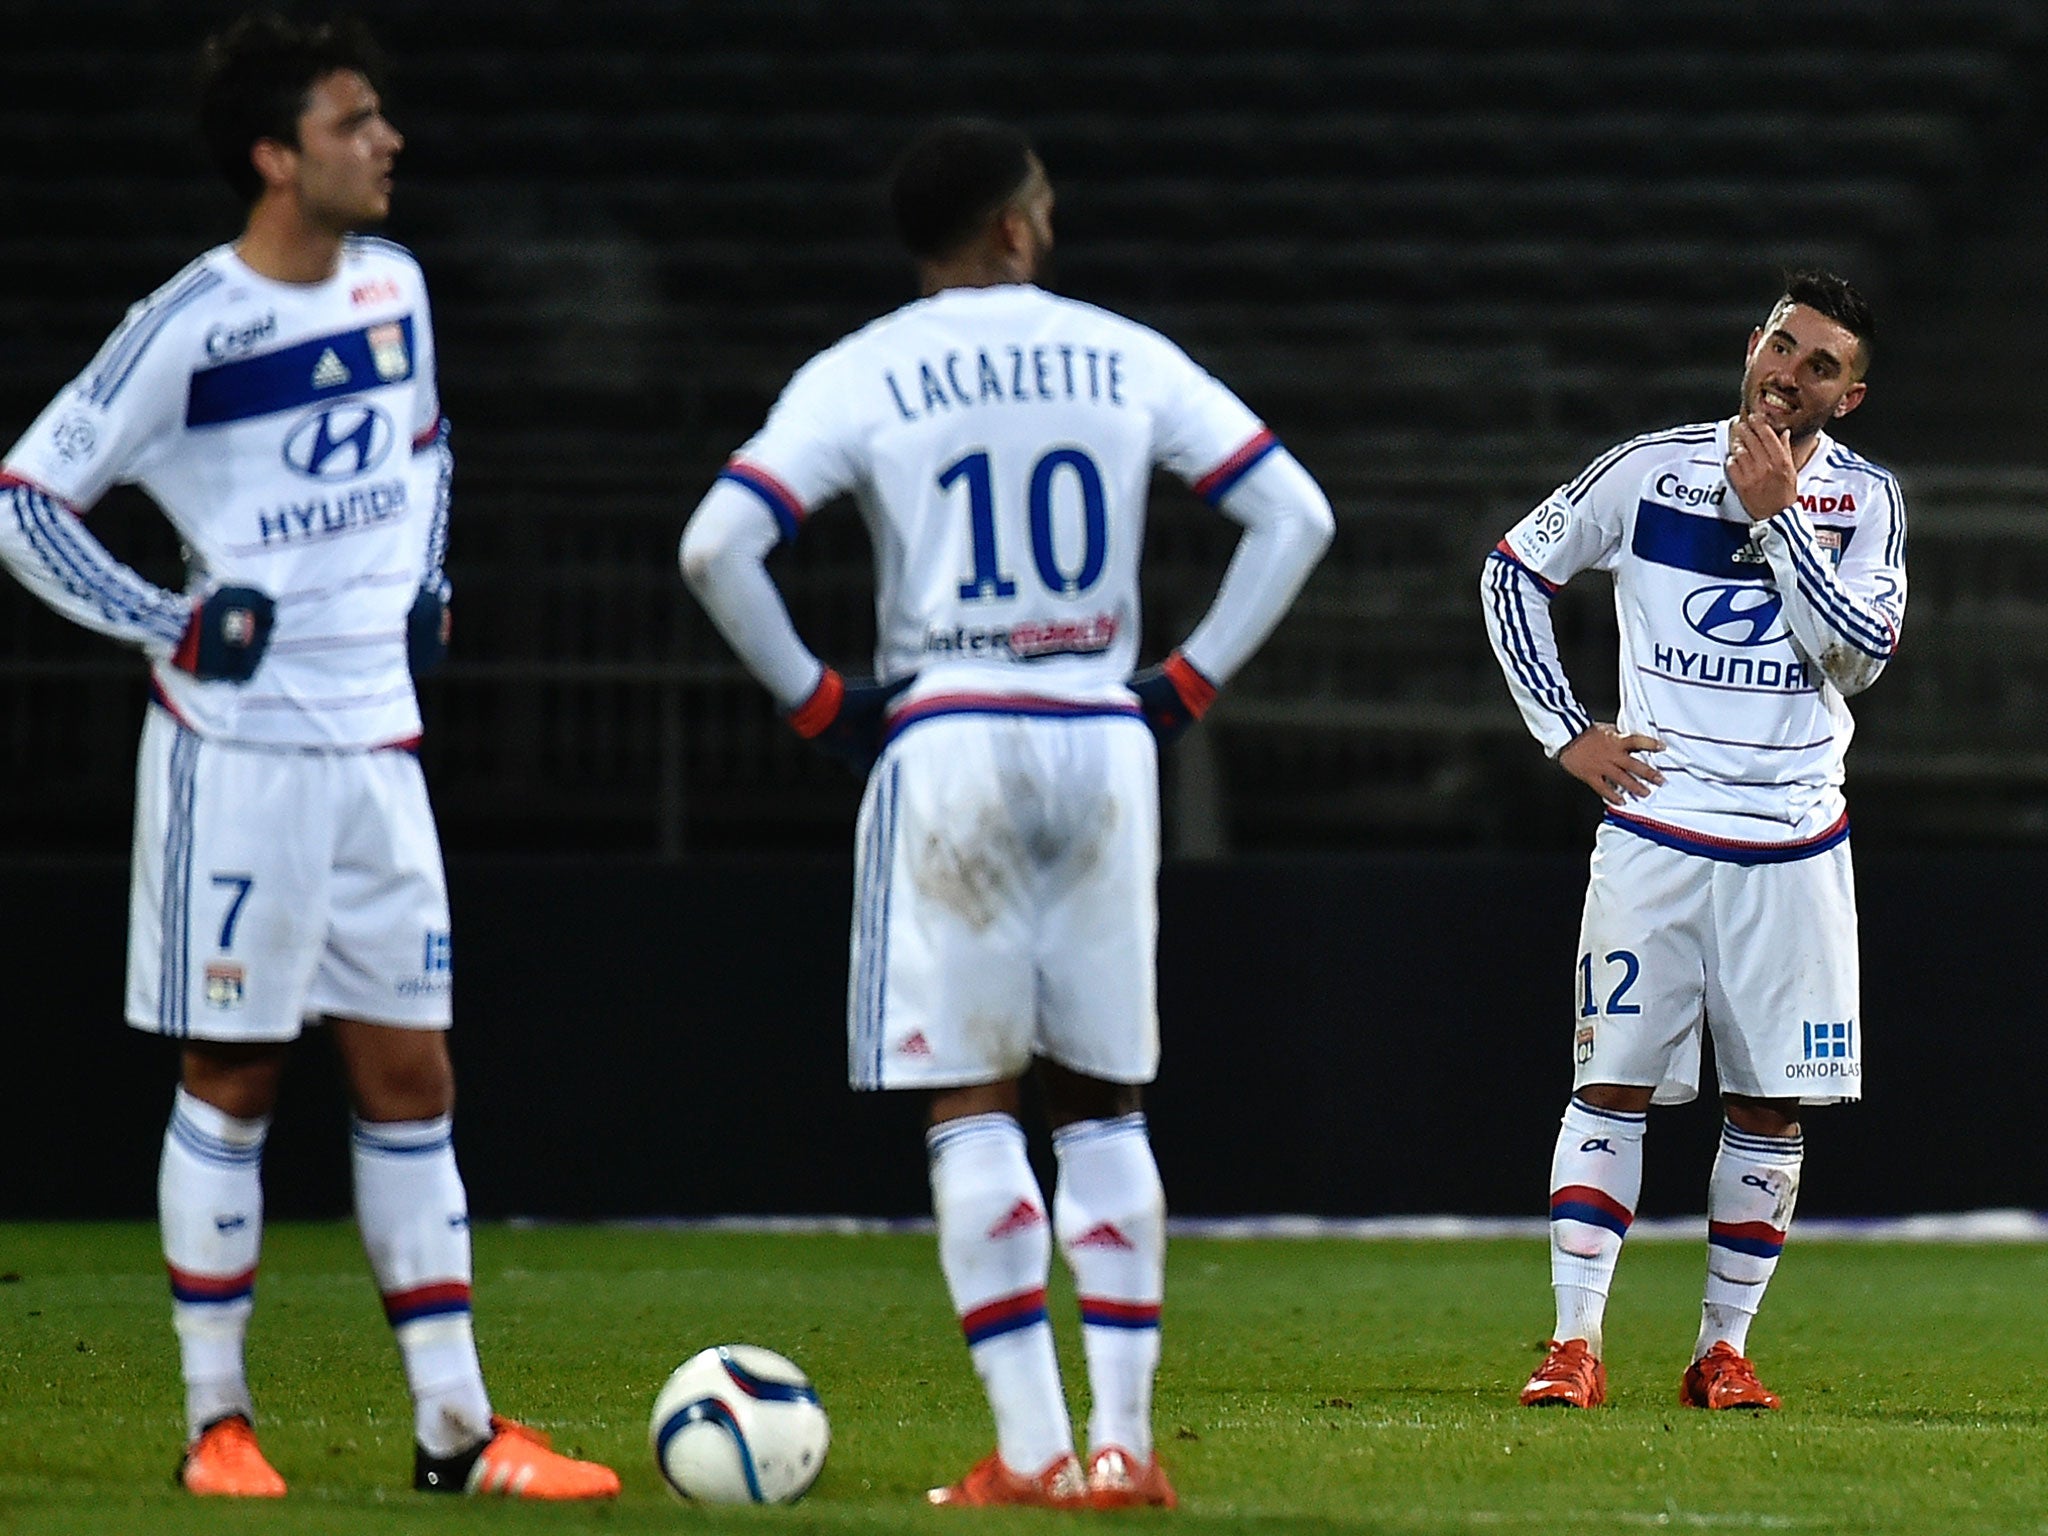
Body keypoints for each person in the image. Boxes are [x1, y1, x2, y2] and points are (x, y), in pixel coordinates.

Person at [0, 13, 617, 1501]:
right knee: (235, 1073)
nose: (387, 139)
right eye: (355, 120)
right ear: (277, 156)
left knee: (413, 1076)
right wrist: (166, 620)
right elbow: (25, 500)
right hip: (242, 755)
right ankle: (218, 1426)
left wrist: (430, 579)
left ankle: (456, 1435)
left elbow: (428, 447)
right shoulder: (188, 326)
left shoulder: (395, 284)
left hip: (374, 754)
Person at [681, 118, 1333, 1508]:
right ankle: (1128, 1450)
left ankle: (1031, 1453)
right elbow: (1294, 515)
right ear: (1017, 228)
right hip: (1099, 732)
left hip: (954, 730)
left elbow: (717, 542)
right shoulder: (1123, 352)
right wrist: (1187, 682)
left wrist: (821, 703)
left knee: (969, 1097)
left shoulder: (865, 369)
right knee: (1103, 1103)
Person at [1481, 271, 1905, 1412]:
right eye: (1781, 344)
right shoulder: (1646, 468)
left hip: (1793, 842)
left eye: (1820, 364)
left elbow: (1860, 653)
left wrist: (1775, 522)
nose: (1788, 372)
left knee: (1768, 1106)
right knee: (1609, 1084)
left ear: (1847, 397)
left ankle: (1721, 1349)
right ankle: (1573, 1345)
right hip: (1654, 833)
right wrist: (1566, 733)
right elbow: (1511, 570)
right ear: (1749, 343)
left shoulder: (1863, 502)